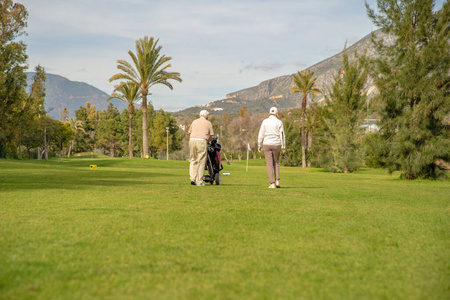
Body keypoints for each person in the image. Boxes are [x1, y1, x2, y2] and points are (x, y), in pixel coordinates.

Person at [257, 107, 286, 188]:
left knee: (269, 164)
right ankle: (277, 181)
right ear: (277, 113)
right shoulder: (279, 122)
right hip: (277, 144)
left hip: (266, 144)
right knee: (276, 162)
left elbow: (261, 134)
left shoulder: (265, 121)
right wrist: (283, 147)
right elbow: (282, 135)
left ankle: (272, 183)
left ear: (269, 113)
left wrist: (259, 145)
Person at [188, 110, 214, 186]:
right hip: (202, 141)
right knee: (201, 161)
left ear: (200, 115)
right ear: (207, 116)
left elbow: (189, 132)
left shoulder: (194, 121)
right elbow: (212, 136)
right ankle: (199, 181)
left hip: (192, 140)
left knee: (193, 159)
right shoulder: (208, 123)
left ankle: (192, 178)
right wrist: (207, 141)